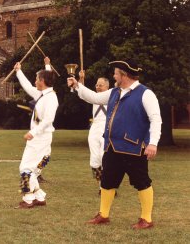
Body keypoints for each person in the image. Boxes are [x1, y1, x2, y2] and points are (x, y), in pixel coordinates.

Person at [67, 59, 162, 229]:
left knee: (142, 182)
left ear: (124, 75)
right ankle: (103, 215)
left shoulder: (146, 93)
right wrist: (77, 86)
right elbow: (94, 97)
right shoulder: (114, 92)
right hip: (112, 146)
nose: (114, 75)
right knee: (107, 181)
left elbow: (156, 119)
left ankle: (146, 219)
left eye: (116, 73)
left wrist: (153, 143)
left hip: (134, 147)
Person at [13, 57, 58, 209]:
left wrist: (34, 132)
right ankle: (39, 197)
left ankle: (28, 199)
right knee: (30, 168)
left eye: (37, 79)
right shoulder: (42, 95)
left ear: (43, 81)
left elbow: (48, 120)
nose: (34, 81)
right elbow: (27, 86)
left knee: (25, 167)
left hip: (40, 137)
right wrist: (18, 71)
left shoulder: (51, 98)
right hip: (38, 137)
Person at [79, 71, 109, 192]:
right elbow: (82, 93)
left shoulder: (113, 96)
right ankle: (101, 186)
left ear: (107, 86)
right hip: (95, 129)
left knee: (104, 157)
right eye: (97, 85)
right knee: (95, 160)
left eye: (100, 85)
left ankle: (107, 185)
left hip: (107, 128)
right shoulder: (94, 97)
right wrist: (81, 79)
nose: (98, 87)